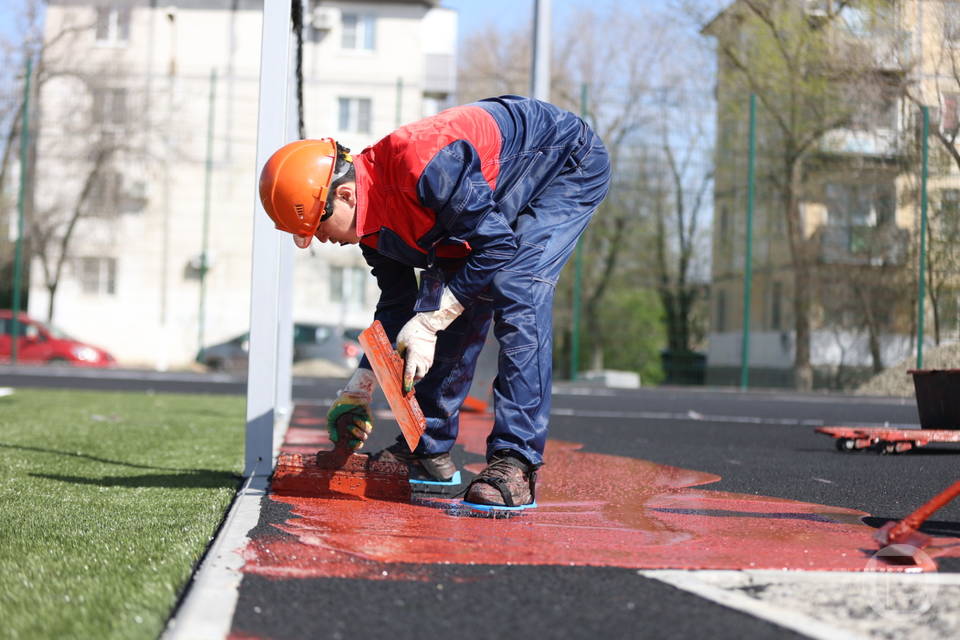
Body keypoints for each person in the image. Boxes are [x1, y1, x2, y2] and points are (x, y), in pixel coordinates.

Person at [259, 95, 610, 511]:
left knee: (515, 284)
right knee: (447, 300)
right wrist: (361, 387)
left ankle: (516, 462)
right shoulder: (369, 226)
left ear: (348, 195)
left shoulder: (425, 166)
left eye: (317, 224)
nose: (318, 239)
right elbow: (396, 307)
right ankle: (427, 454)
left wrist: (430, 322)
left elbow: (494, 246)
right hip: (491, 186)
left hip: (563, 162)